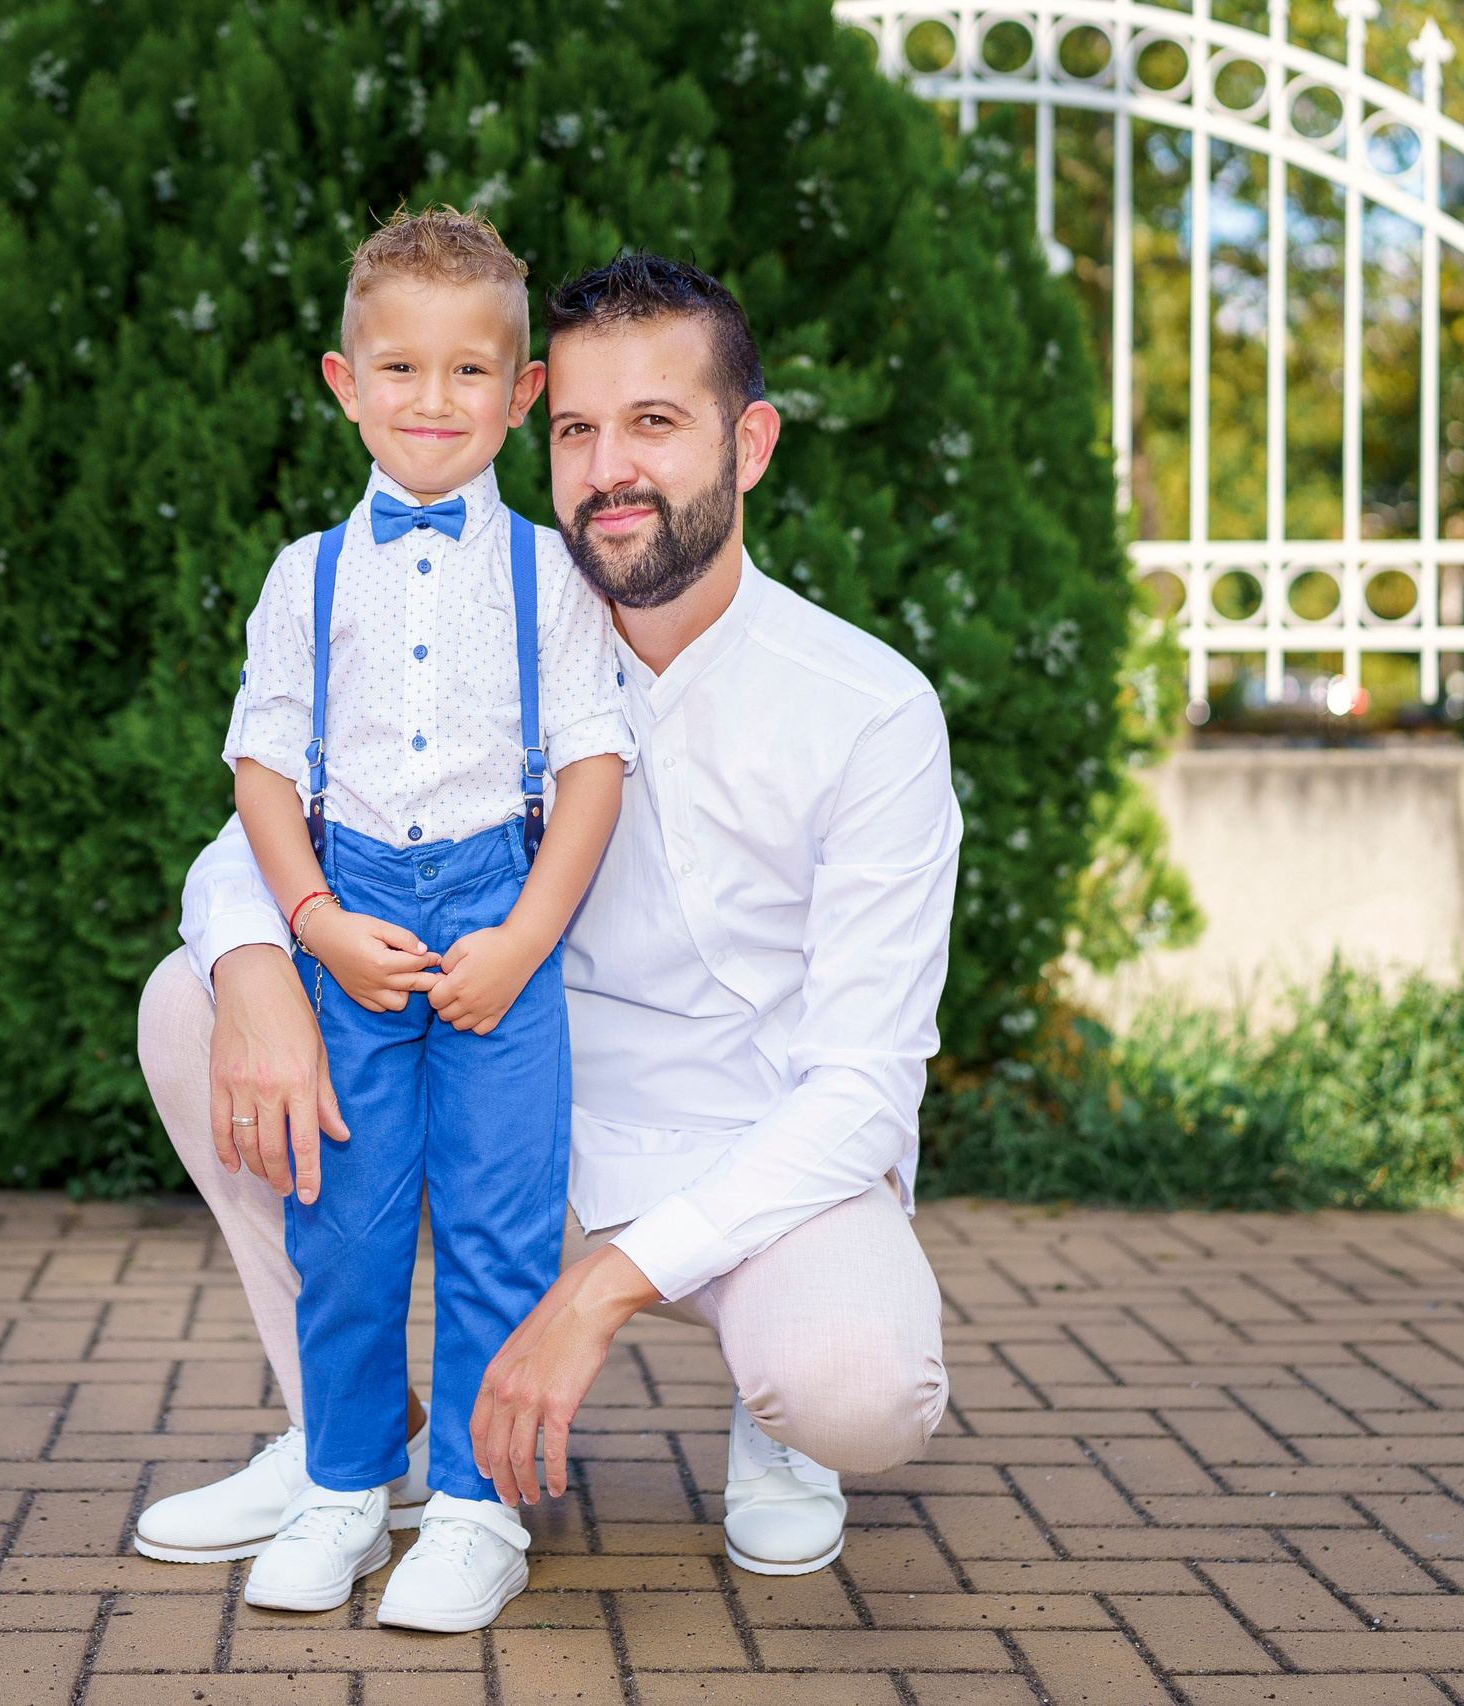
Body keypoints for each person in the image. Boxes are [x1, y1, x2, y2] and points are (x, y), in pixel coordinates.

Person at [137, 252, 956, 1589]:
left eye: (654, 422)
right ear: (538, 428)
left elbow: (865, 1086)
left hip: (748, 1142)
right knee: (194, 999)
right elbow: (267, 816)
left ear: (747, 444)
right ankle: (348, 1437)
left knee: (857, 1381)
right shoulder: (489, 609)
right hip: (512, 1080)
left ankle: (772, 1404)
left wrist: (604, 1284)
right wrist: (260, 961)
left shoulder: (868, 708)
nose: (608, 468)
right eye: (579, 427)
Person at [162, 207, 633, 1633]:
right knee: (347, 1225)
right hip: (351, 912)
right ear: (343, 380)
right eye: (402, 370)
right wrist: (311, 919)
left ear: (524, 391)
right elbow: (263, 766)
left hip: (502, 911)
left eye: (472, 373)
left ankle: (478, 1508)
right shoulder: (306, 572)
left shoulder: (550, 574)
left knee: (497, 1223)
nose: (436, 403)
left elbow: (592, 768)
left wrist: (526, 938)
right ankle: (344, 1484)